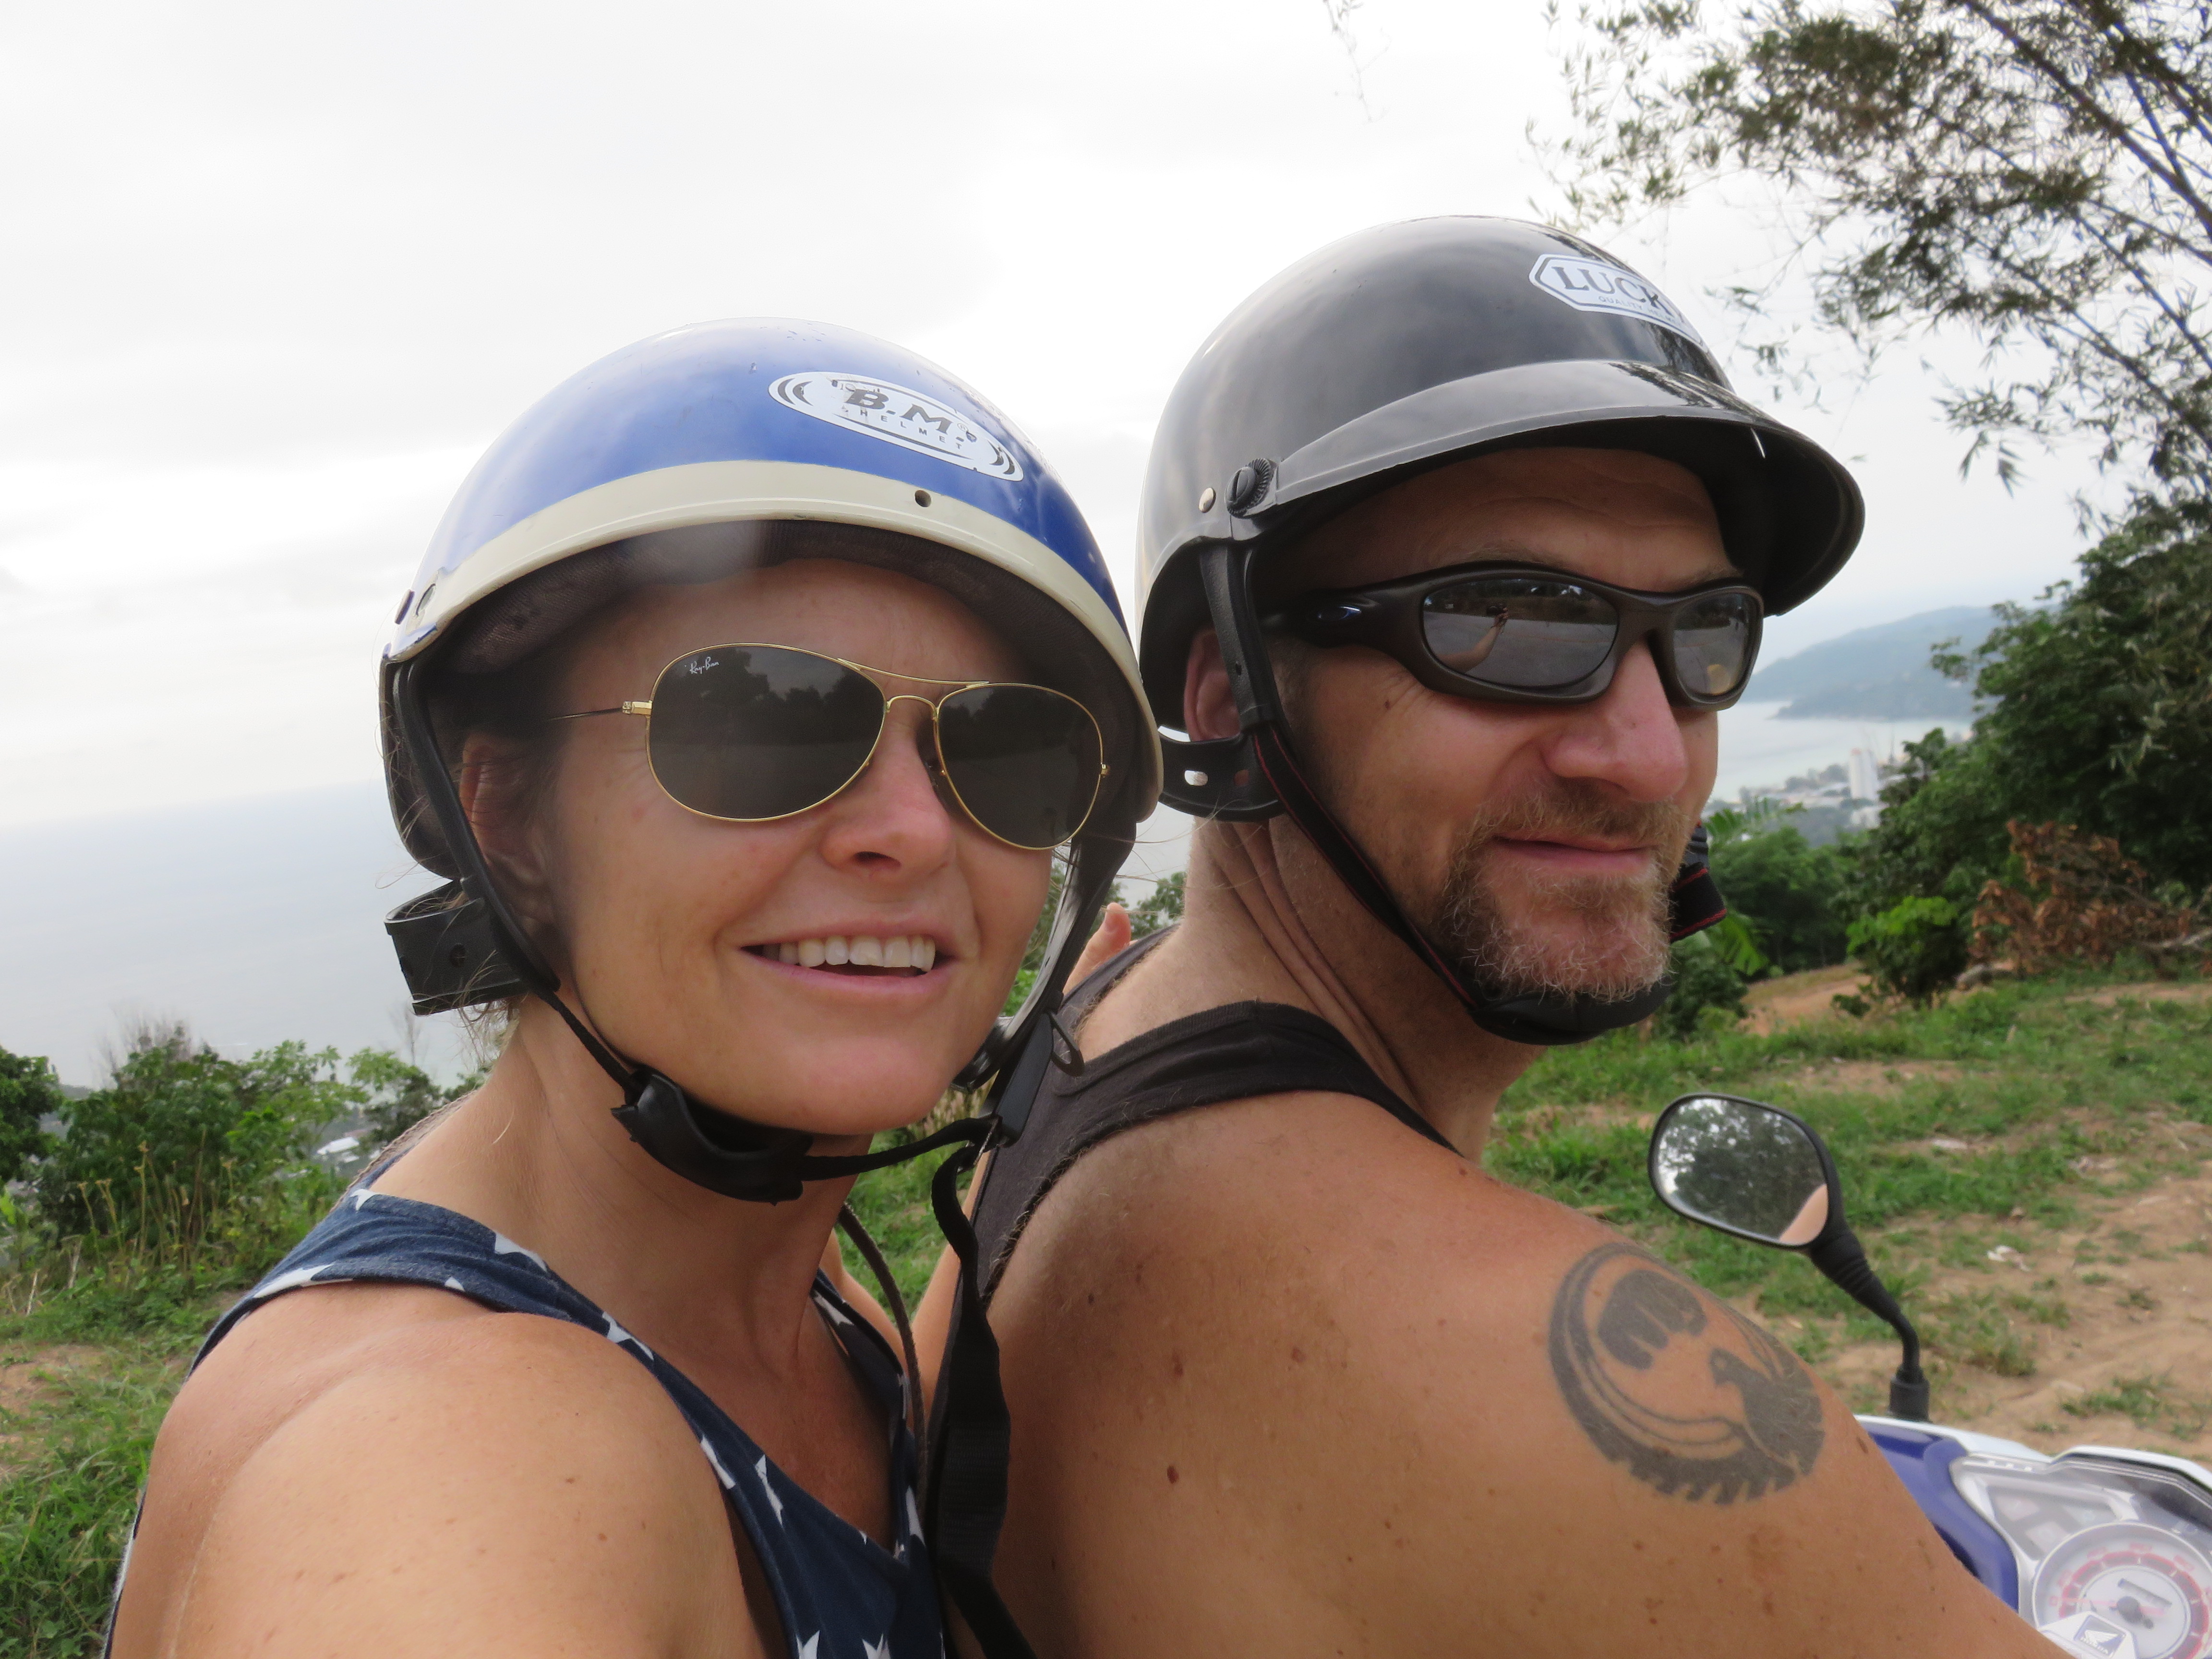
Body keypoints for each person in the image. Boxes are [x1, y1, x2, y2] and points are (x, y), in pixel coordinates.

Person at [925, 220, 2059, 1656]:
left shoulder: (1097, 1034)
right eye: (1515, 624)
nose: (1648, 757)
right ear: (1230, 701)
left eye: (1704, 635)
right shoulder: (1557, 1397)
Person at [105, 320, 1158, 1659]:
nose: (913, 830)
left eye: (1006, 748)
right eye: (761, 721)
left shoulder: (754, 1274)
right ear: (509, 817)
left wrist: (1041, 1159)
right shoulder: (449, 1464)